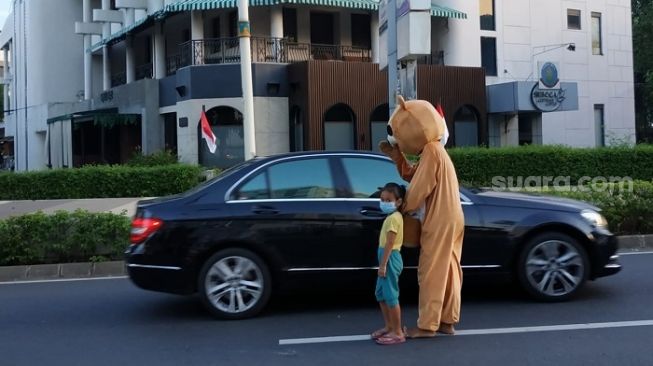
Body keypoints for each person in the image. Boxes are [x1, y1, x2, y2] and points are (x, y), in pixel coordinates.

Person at [371, 182, 406, 345]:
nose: (384, 203)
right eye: (382, 200)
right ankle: (389, 326)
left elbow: (390, 244)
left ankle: (397, 332)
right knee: (380, 293)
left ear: (398, 202)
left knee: (391, 295)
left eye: (388, 200)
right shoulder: (391, 217)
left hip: (390, 258)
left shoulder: (394, 218)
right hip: (385, 258)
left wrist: (383, 265)